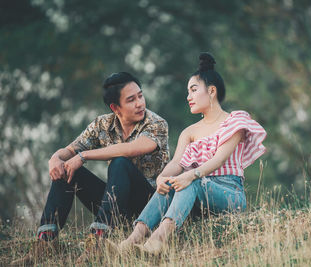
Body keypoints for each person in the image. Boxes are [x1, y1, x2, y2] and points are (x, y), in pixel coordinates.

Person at [11, 72, 169, 265]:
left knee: (120, 162)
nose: (140, 103)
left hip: (148, 206)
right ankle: (46, 243)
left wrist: (83, 156)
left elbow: (130, 149)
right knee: (68, 169)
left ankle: (98, 241)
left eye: (140, 96)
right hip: (116, 206)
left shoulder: (156, 123)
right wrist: (56, 158)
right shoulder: (102, 124)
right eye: (131, 100)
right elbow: (70, 150)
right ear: (115, 108)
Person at [117, 53, 267, 255]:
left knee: (193, 180)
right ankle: (133, 239)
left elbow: (218, 159)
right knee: (173, 180)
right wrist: (163, 177)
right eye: (188, 91)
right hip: (196, 198)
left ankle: (160, 238)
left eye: (193, 90)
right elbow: (177, 162)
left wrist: (192, 175)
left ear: (211, 91)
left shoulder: (235, 121)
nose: (188, 97)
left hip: (229, 194)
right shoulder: (189, 132)